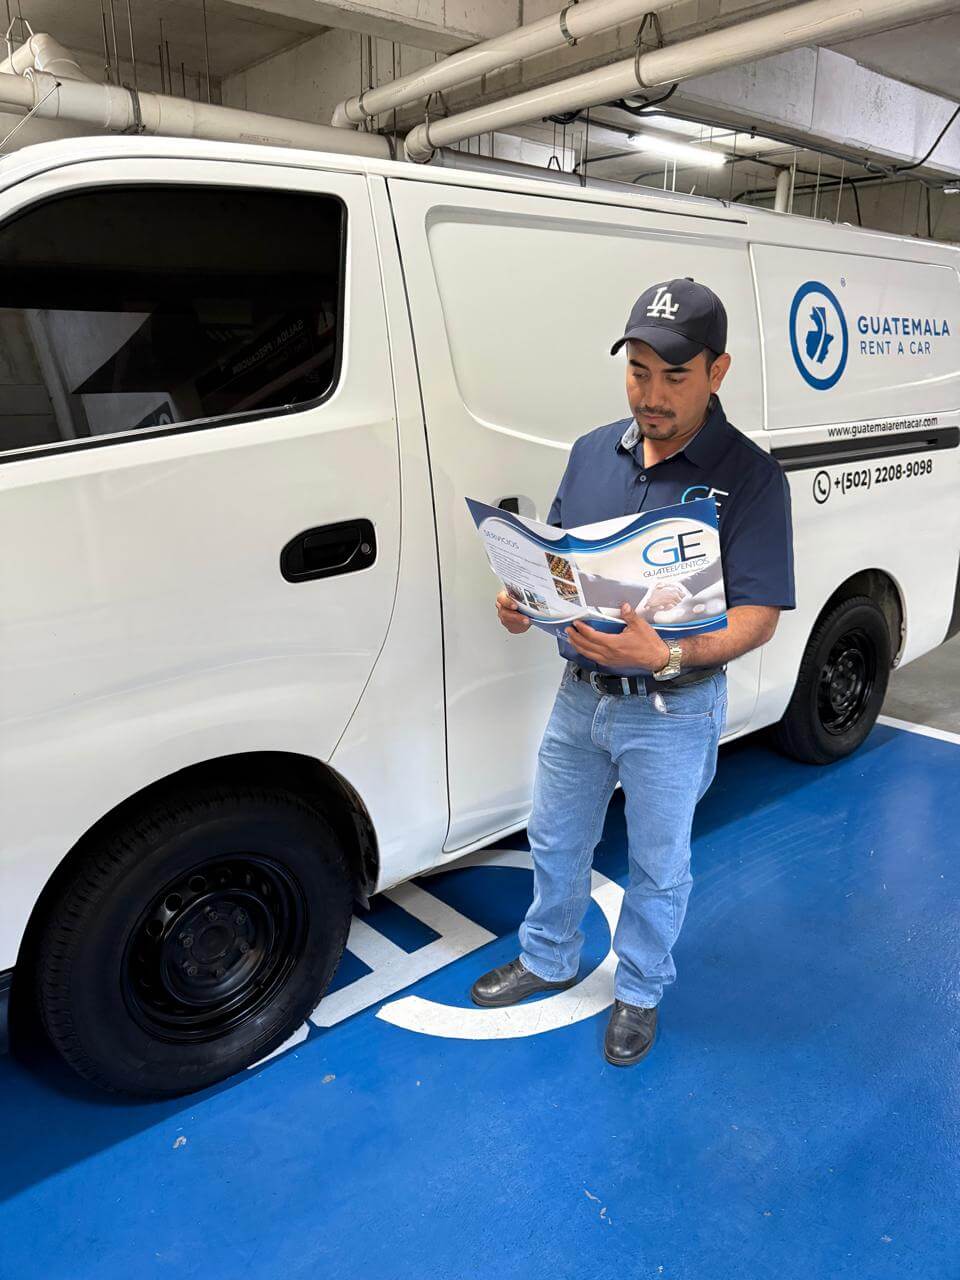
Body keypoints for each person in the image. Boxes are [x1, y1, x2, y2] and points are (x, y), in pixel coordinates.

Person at [471, 278, 796, 1066]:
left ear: (717, 373)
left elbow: (762, 612)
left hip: (672, 711)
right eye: (638, 371)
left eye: (674, 377)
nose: (651, 395)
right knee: (555, 838)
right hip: (579, 697)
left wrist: (670, 654)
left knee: (659, 863)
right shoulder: (591, 453)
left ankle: (640, 991)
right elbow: (559, 563)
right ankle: (547, 957)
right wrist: (525, 600)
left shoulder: (750, 478)